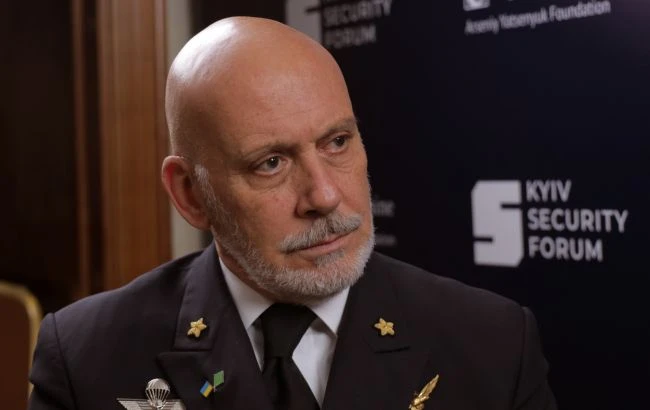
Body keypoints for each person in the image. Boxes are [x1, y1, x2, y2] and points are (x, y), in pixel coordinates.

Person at [29, 17, 556, 410]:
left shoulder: (494, 344)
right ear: (191, 195)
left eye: (337, 141)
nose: (324, 196)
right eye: (271, 163)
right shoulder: (84, 358)